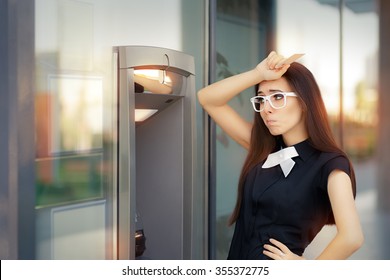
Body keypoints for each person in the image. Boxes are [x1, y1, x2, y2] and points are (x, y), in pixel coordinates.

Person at [197, 51, 364, 260]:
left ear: (304, 102)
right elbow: (207, 98)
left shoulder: (330, 164)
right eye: (261, 99)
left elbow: (352, 237)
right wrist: (258, 74)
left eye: (277, 97)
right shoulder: (265, 147)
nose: (267, 109)